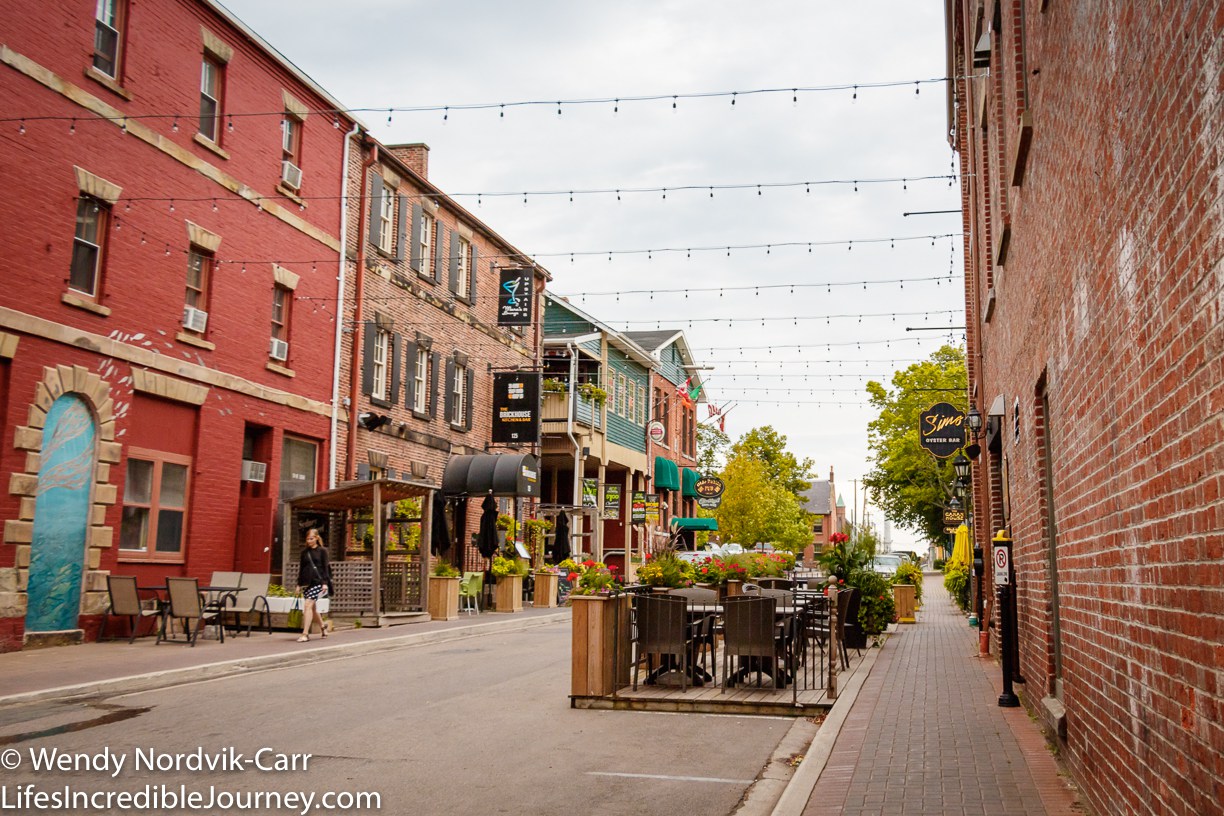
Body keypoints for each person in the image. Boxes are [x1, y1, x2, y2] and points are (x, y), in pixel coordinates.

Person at [297, 528, 332, 642]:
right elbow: (301, 569)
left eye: (311, 538)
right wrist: (299, 584)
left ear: (317, 538)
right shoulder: (304, 552)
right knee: (312, 608)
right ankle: (323, 627)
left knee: (307, 605)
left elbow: (325, 567)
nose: (309, 541)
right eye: (307, 539)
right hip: (307, 583)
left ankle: (305, 634)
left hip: (318, 581)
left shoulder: (322, 551)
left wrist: (325, 583)